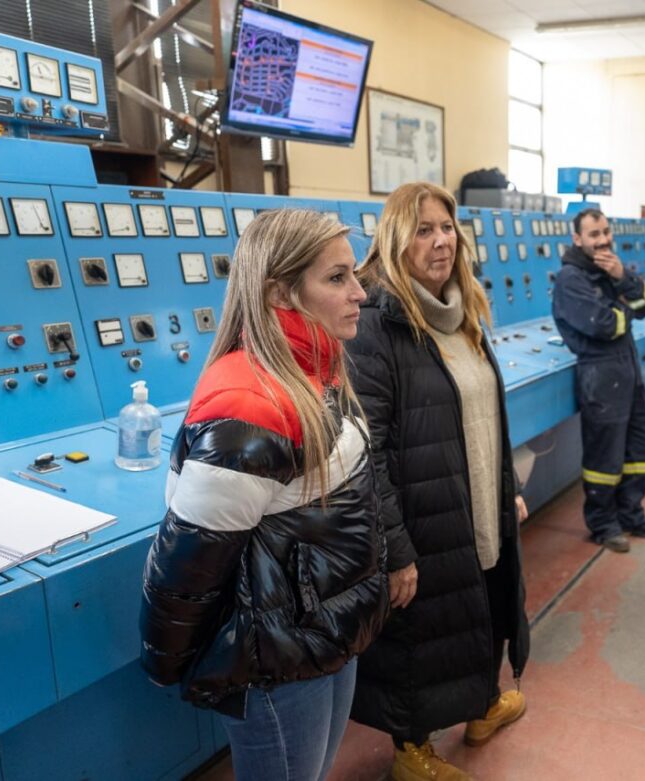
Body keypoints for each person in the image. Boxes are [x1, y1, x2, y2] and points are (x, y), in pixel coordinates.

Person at [138, 209, 389, 781]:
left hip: (322, 632)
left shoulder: (319, 370)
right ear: (280, 292)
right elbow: (187, 565)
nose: (359, 292)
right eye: (337, 278)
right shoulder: (249, 409)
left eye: (354, 274)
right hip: (275, 655)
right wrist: (169, 663)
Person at [346, 182, 530, 781]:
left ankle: (481, 706)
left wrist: (506, 487)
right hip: (420, 513)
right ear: (395, 239)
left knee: (485, 601)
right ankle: (411, 749)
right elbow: (366, 450)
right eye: (423, 229)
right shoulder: (377, 324)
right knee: (419, 631)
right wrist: (395, 548)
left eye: (447, 227)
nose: (440, 241)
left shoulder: (462, 309)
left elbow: (484, 410)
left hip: (476, 498)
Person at [553, 208, 645, 553]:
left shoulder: (610, 269)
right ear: (577, 239)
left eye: (605, 231)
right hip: (600, 374)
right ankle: (603, 524)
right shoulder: (571, 279)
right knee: (605, 457)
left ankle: (631, 514)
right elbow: (604, 325)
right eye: (594, 234)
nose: (602, 240)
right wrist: (626, 310)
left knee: (639, 448)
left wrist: (622, 277)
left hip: (627, 369)